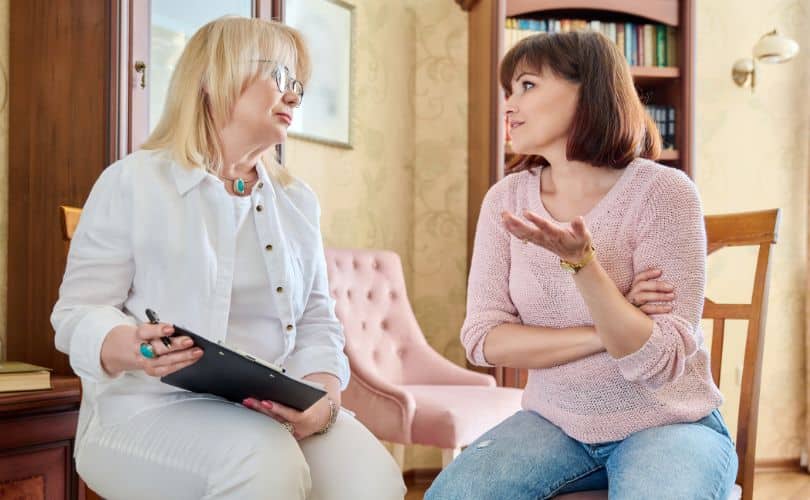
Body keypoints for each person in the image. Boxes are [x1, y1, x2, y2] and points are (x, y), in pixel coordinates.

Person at [52, 16, 405, 500]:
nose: (295, 96)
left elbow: (317, 322)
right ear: (213, 79)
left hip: (268, 412)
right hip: (145, 409)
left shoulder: (298, 203)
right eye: (280, 77)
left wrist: (323, 401)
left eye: (297, 84)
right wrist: (130, 344)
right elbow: (76, 315)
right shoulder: (131, 182)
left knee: (373, 480)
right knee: (262, 462)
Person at [426, 31, 736, 499]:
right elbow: (484, 340)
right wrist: (608, 327)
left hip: (668, 422)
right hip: (554, 423)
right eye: (508, 91)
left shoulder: (663, 193)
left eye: (527, 85)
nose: (509, 104)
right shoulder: (505, 200)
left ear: (587, 89)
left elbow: (661, 359)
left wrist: (583, 265)